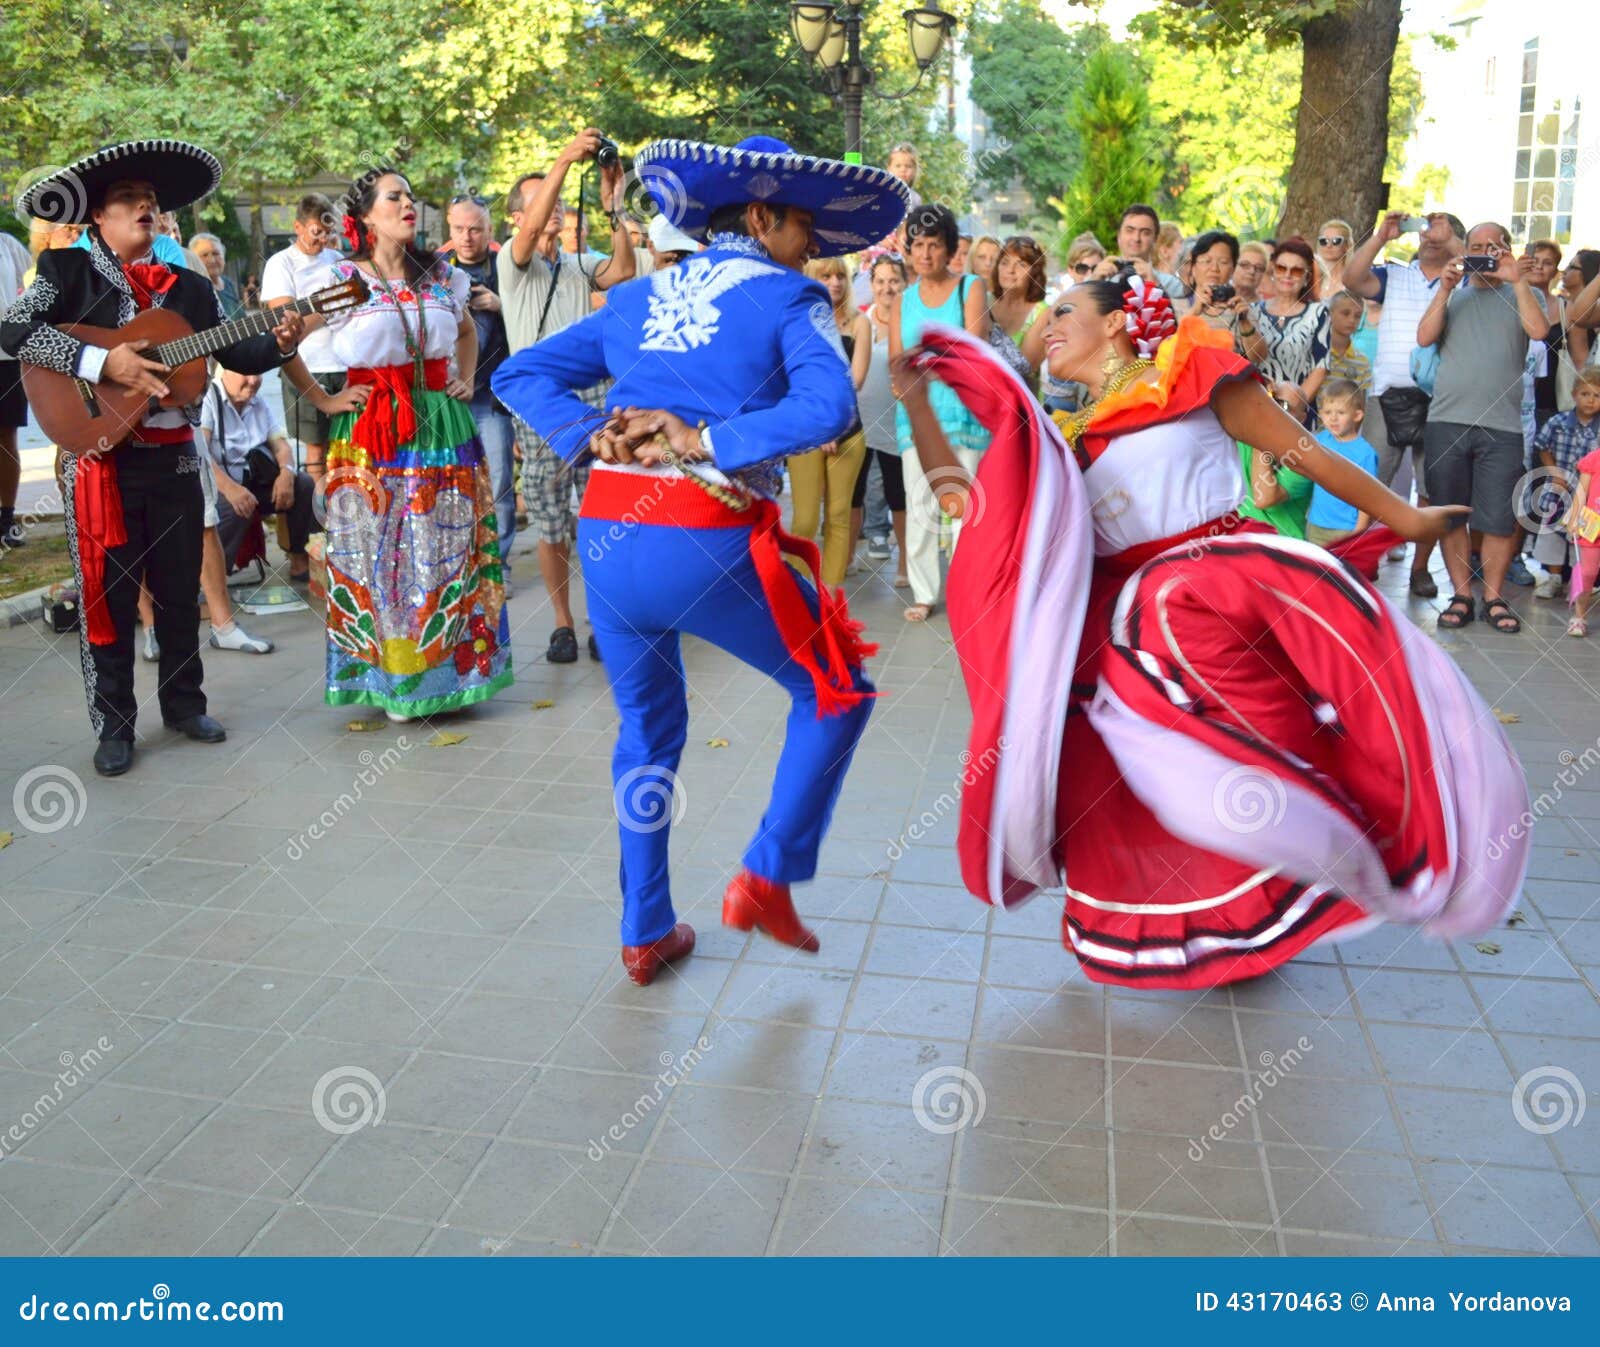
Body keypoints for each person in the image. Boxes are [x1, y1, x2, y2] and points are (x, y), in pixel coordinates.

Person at [896, 275, 1526, 988]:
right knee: (1145, 787)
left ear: (1120, 322)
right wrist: (918, 402)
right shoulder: (1062, 441)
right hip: (1130, 633)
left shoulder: (1187, 374)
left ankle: (1362, 854)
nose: (1049, 327)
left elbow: (1304, 451)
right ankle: (1227, 926)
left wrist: (1403, 518)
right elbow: (960, 501)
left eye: (1066, 311)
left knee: (1271, 750)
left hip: (1224, 597)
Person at [493, 133, 908, 986]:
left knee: (647, 729)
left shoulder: (636, 298)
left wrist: (588, 432)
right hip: (704, 533)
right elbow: (831, 407)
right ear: (759, 217)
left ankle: (644, 928)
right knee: (838, 690)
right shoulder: (791, 298)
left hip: (609, 533)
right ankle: (765, 876)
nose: (814, 248)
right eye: (803, 228)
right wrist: (709, 438)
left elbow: (519, 372)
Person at [1, 141, 305, 777]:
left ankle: (185, 704)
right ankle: (114, 725)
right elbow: (11, 331)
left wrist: (279, 343)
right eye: (127, 198)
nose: (145, 206)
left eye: (152, 200)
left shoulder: (191, 287)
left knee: (176, 589)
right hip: (99, 467)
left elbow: (237, 356)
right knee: (109, 599)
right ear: (97, 219)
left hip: (174, 459)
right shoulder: (65, 272)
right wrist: (99, 361)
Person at [311, 166, 512, 720]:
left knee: (446, 551)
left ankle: (454, 677)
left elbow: (467, 330)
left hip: (443, 422)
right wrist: (324, 400)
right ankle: (396, 681)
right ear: (366, 216)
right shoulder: (346, 282)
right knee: (384, 555)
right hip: (371, 426)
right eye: (393, 197)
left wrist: (466, 375)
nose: (407, 204)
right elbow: (287, 342)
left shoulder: (443, 276)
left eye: (410, 196)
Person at [499, 129, 636, 664]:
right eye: (538, 201)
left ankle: (603, 619)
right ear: (516, 217)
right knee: (552, 519)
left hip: (594, 394)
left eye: (552, 199)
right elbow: (534, 229)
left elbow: (623, 270)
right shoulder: (512, 263)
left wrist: (614, 206)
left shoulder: (576, 266)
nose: (551, 209)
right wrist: (562, 158)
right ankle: (561, 625)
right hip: (540, 400)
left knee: (601, 513)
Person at [1419, 222, 1551, 634]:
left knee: (1496, 518)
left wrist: (1519, 281)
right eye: (1474, 247)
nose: (1482, 254)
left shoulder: (1522, 294)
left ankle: (1493, 597)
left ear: (1506, 251)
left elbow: (1539, 331)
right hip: (1446, 420)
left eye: (1490, 247)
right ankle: (1461, 594)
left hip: (1502, 425)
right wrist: (1443, 289)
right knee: (1451, 514)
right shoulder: (1452, 295)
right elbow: (1424, 337)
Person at [1342, 209, 1466, 598]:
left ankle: (1420, 568)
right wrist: (1381, 237)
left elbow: (1482, 274)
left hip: (1442, 399)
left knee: (1432, 489)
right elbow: (1351, 278)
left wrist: (1453, 244)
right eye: (1427, 229)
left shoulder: (1466, 282)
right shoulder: (1395, 274)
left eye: (1441, 230)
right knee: (1369, 480)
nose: (1430, 235)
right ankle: (1359, 560)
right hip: (1387, 394)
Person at [889, 202, 991, 622]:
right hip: (918, 417)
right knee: (920, 505)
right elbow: (898, 363)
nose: (926, 254)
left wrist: (923, 365)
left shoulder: (972, 287)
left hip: (964, 413)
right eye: (918, 245)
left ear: (949, 248)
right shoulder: (902, 300)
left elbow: (971, 351)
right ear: (908, 250)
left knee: (967, 508)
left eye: (934, 244)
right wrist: (927, 367)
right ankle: (925, 592)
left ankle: (973, 590)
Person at [442, 193, 517, 592]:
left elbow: (534, 316)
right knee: (453, 481)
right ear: (448, 229)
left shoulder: (506, 267)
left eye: (475, 229)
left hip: (494, 392)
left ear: (489, 231)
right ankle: (459, 562)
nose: (467, 237)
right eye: (459, 229)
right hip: (451, 394)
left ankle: (498, 565)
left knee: (500, 481)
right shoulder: (437, 271)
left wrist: (500, 303)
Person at [788, 256, 870, 585]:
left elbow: (857, 379)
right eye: (826, 276)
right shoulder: (797, 321)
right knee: (805, 521)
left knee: (838, 518)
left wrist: (833, 423)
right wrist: (820, 424)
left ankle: (830, 603)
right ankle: (795, 596)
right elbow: (792, 380)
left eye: (840, 276)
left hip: (849, 431)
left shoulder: (859, 323)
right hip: (806, 430)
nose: (835, 282)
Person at [200, 366, 316, 587]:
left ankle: (299, 558)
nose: (253, 380)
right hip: (218, 485)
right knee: (237, 505)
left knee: (303, 484)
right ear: (225, 372)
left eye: (258, 374)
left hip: (254, 480)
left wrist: (286, 474)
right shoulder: (208, 400)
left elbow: (281, 446)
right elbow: (201, 456)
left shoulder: (258, 402)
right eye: (246, 372)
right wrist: (231, 489)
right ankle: (211, 577)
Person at [266, 194, 353, 482]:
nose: (323, 239)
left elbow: (355, 305)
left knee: (349, 446)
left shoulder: (338, 260)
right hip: (306, 365)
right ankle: (320, 516)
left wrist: (319, 308)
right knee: (315, 450)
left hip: (345, 361)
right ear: (299, 227)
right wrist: (330, 306)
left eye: (329, 231)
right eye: (317, 231)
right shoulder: (281, 264)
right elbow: (289, 326)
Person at [850, 255, 909, 585]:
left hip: (896, 423)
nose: (887, 287)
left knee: (898, 495)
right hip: (860, 420)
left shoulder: (909, 323)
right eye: (881, 281)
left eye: (894, 280)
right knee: (853, 494)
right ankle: (846, 561)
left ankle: (904, 564)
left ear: (904, 283)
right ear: (871, 286)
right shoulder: (862, 321)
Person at [1530, 367, 1600, 600]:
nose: (1590, 400)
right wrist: (1553, 471)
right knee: (1552, 535)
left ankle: (1578, 581)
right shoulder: (1557, 421)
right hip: (1558, 493)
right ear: (1574, 394)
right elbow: (1541, 447)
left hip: (1588, 498)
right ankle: (1554, 578)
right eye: (1585, 394)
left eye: (1597, 396)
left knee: (1581, 539)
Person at [1249, 238, 1327, 422]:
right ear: (1273, 271)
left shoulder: (1318, 313)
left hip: (1299, 414)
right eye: (1282, 268)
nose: (1288, 275)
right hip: (1257, 408)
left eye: (1297, 270)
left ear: (1307, 277)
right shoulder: (1252, 311)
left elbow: (1320, 369)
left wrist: (1292, 409)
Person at [1303, 379, 1379, 547]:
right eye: (1328, 412)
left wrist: (1359, 531)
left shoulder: (1365, 453)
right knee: (1317, 571)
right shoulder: (1318, 440)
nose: (1333, 418)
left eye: (1341, 412)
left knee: (1342, 571)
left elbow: (1368, 497)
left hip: (1346, 528)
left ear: (1357, 415)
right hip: (1316, 524)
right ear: (1321, 414)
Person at [1183, 229, 1262, 357]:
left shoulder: (1239, 307)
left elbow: (1258, 357)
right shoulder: (1175, 304)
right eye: (1206, 261)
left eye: (1223, 262)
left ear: (1233, 269)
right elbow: (1167, 351)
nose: (1214, 269)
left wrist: (1244, 321)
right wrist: (1194, 311)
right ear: (1193, 267)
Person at [986, 234, 1049, 392]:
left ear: (1034, 272)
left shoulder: (1043, 312)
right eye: (1004, 263)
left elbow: (1023, 367)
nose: (1010, 270)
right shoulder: (982, 301)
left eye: (1021, 264)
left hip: (1019, 405)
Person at [0, 228, 30, 548]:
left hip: (6, 356)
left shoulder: (7, 244)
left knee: (6, 436)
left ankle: (6, 519)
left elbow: (32, 288)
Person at [1301, 289, 1372, 412]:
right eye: (1345, 313)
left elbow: (1361, 404)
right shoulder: (1313, 354)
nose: (1351, 320)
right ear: (1330, 314)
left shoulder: (1362, 361)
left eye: (1357, 316)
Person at [1565, 439, 1600, 637]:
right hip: (1592, 525)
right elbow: (1581, 490)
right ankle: (1579, 617)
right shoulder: (1594, 458)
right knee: (1587, 572)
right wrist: (1574, 515)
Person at [1114, 204, 1184, 301]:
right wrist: (1092, 282)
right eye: (1129, 230)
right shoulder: (1101, 277)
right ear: (1119, 234)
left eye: (1145, 233)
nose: (1136, 238)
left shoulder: (1171, 284)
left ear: (1155, 238)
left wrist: (1155, 285)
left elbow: (1181, 315)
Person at [190, 232, 243, 318]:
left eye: (216, 253)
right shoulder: (191, 289)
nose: (212, 260)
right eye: (204, 255)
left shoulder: (228, 284)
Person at [1314, 218, 1353, 296]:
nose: (1328, 246)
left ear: (1347, 246)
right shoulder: (1311, 277)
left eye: (1336, 241)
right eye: (1323, 241)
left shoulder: (1354, 278)